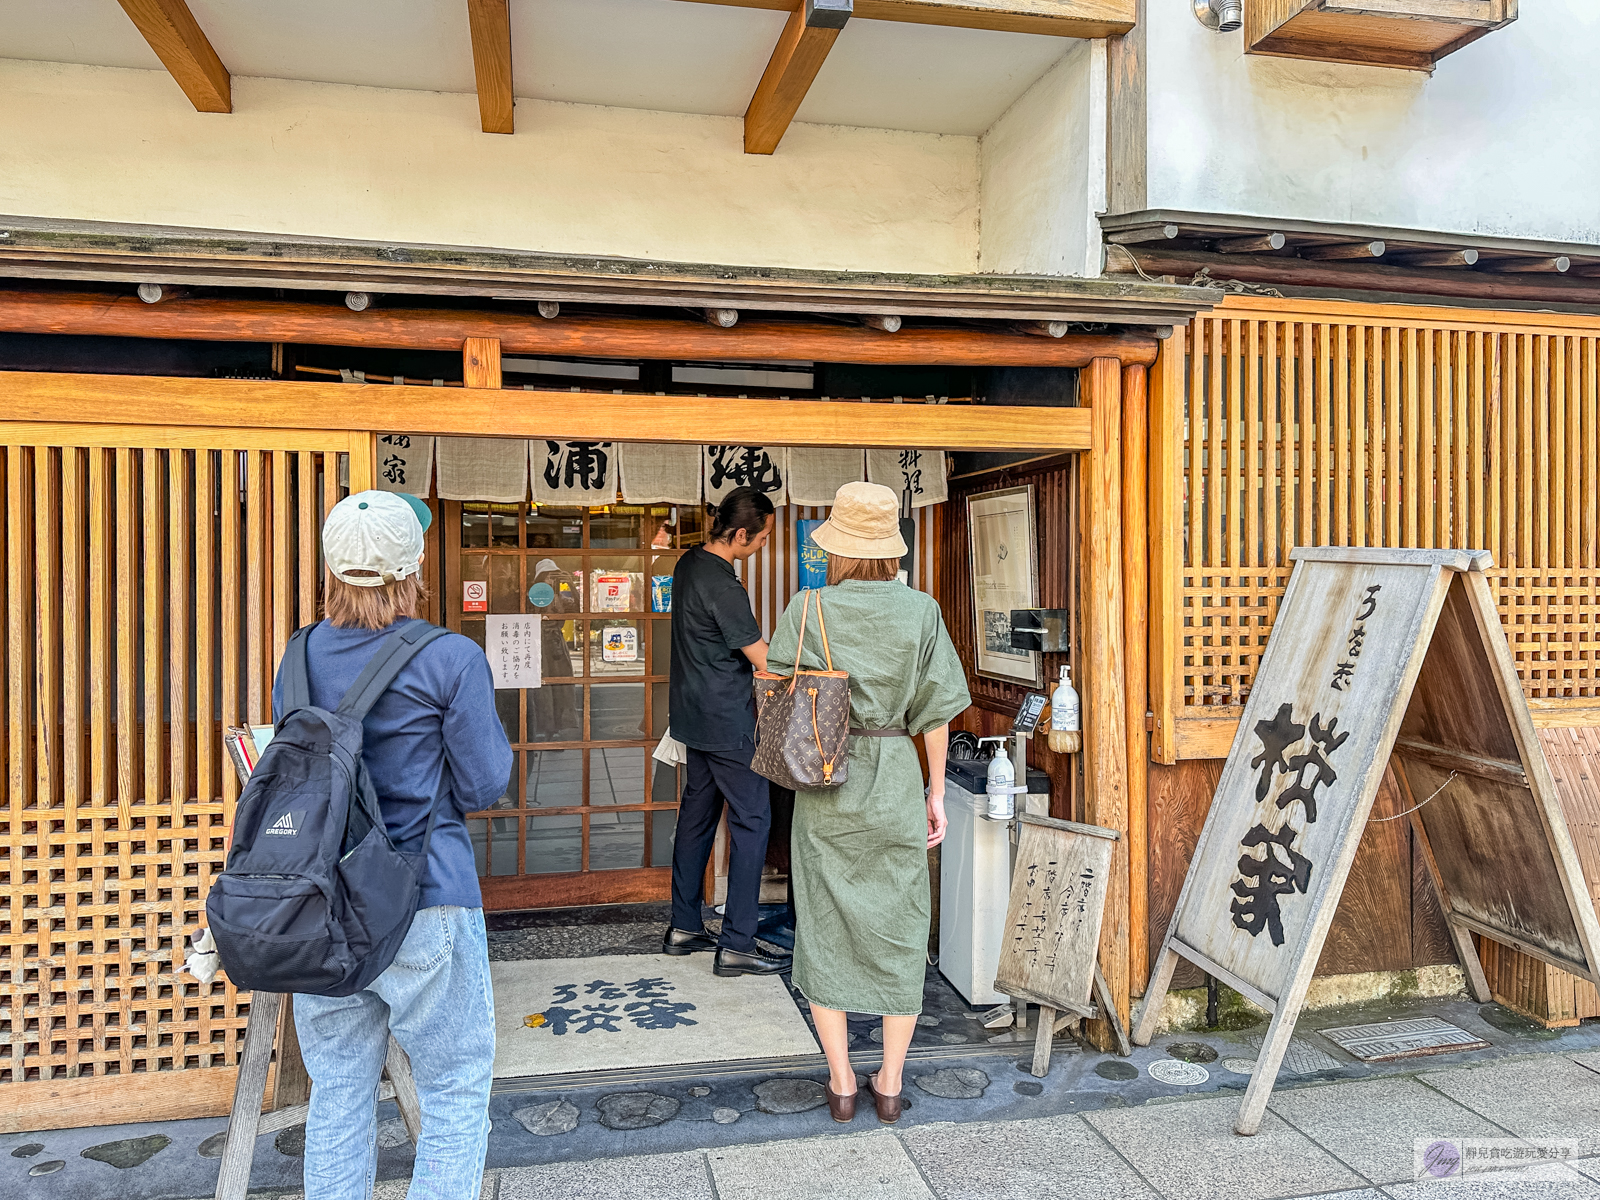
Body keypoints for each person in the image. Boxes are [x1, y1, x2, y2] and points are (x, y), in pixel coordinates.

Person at [276, 490, 512, 1200]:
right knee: (453, 1090)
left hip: (323, 906)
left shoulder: (300, 654)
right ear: (415, 570)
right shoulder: (450, 658)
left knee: (339, 1093)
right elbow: (484, 785)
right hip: (426, 896)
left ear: (331, 571)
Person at [765, 481, 970, 1124]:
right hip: (894, 781)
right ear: (890, 549)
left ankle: (841, 1079)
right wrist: (935, 792)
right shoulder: (921, 612)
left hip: (826, 780)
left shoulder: (809, 607)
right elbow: (935, 712)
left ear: (837, 549)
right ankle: (889, 1082)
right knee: (901, 926)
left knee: (824, 926)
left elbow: (777, 687)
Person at [662, 486, 792, 977]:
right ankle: (737, 941)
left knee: (696, 816)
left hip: (692, 718)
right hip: (729, 721)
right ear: (741, 533)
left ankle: (685, 925)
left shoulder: (688, 564)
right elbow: (761, 657)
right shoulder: (723, 584)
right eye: (761, 538)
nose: (762, 545)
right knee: (753, 822)